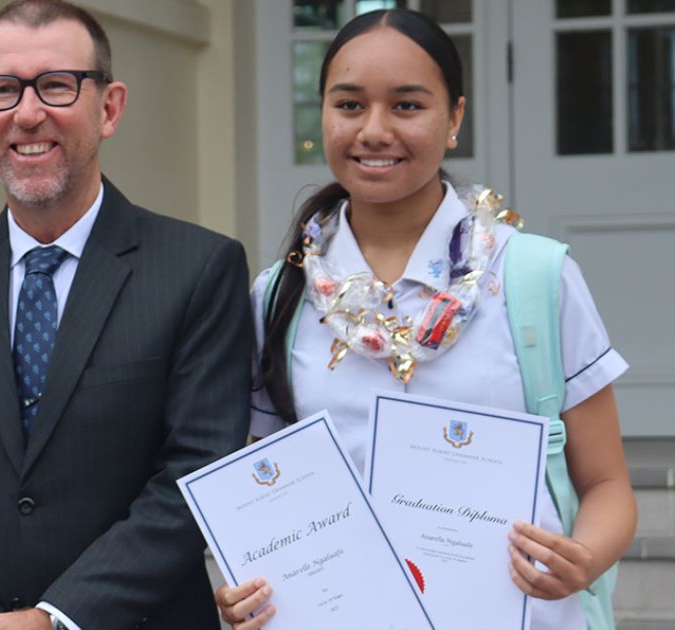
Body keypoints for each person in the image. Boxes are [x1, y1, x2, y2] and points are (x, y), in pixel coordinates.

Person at [214, 8, 637, 630]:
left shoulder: (533, 277)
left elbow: (607, 486)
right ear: (324, 114)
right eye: (350, 105)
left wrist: (584, 558)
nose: (374, 130)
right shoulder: (280, 294)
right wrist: (243, 584)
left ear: (455, 118)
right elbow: (269, 494)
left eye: (407, 106)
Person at [0, 0, 253, 628]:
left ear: (109, 107)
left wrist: (56, 617)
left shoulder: (198, 270)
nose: (27, 112)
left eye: (56, 85)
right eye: (3, 90)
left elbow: (193, 472)